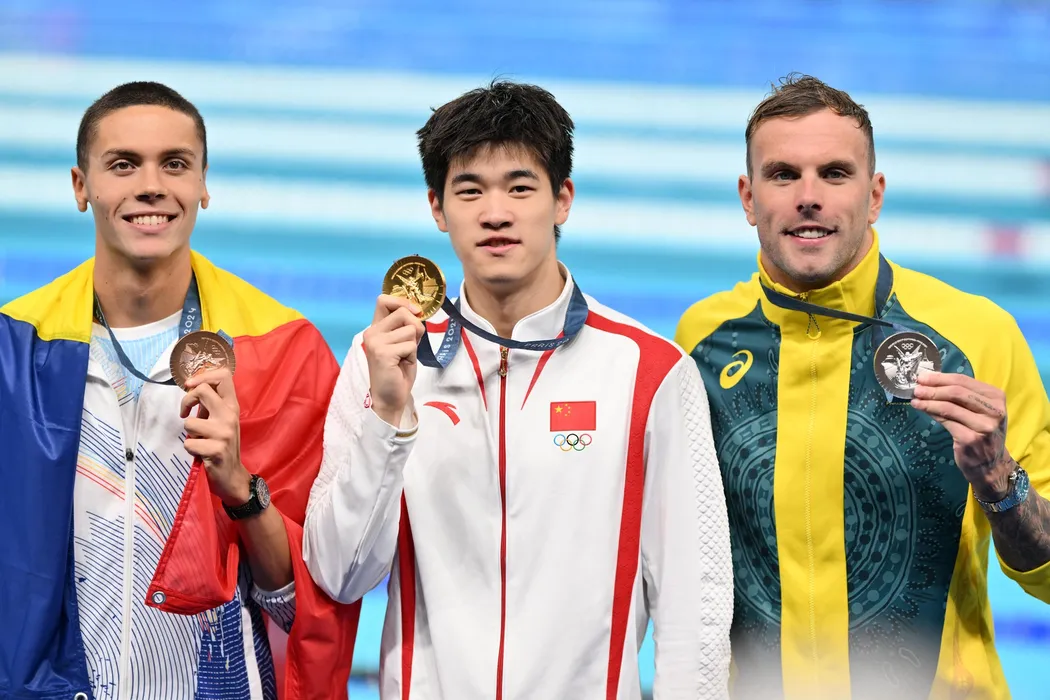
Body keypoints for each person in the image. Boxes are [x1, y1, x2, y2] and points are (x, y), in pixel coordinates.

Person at [303, 80, 734, 699]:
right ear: (437, 208)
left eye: (520, 187)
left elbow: (695, 603)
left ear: (563, 200)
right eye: (469, 190)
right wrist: (388, 420)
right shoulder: (383, 360)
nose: (495, 212)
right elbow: (339, 573)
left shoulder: (649, 371)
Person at [674, 73, 1050, 700]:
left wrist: (999, 481)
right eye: (783, 174)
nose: (809, 197)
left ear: (873, 196)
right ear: (748, 197)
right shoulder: (701, 341)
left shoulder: (976, 336)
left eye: (835, 174)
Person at [0, 81, 360, 699]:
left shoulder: (283, 351)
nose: (151, 186)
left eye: (174, 164)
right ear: (81, 186)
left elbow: (306, 601)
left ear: (203, 184)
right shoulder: (15, 352)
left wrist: (240, 489)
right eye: (123, 165)